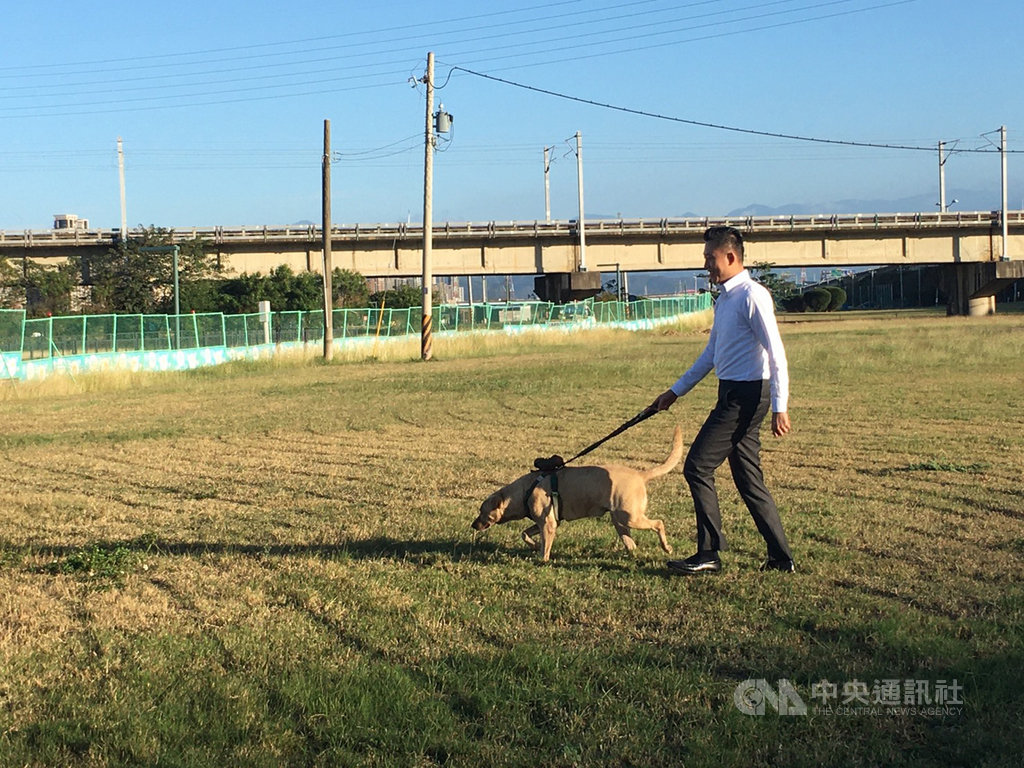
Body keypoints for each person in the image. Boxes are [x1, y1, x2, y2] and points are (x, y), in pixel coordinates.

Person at [650, 226, 794, 574]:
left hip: (746, 397)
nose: (706, 265)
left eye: (710, 258)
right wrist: (674, 392)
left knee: (697, 466)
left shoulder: (752, 296)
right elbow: (711, 354)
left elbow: (777, 353)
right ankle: (780, 558)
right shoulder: (725, 299)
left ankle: (709, 554)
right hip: (730, 391)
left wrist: (780, 405)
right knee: (748, 479)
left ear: (731, 257)